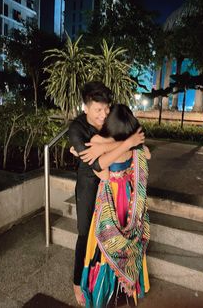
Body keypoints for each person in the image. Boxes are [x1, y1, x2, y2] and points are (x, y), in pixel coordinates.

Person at [68, 82, 146, 306]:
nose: (103, 115)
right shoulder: (76, 130)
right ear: (85, 108)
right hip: (91, 183)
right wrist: (126, 143)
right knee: (85, 234)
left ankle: (107, 279)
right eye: (97, 110)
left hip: (112, 185)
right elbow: (98, 168)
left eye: (106, 109)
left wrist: (109, 145)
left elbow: (138, 139)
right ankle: (77, 283)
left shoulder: (111, 119)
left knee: (110, 234)